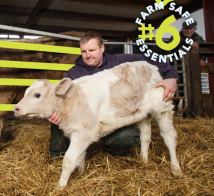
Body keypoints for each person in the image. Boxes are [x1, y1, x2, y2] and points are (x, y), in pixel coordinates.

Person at [48, 31, 179, 158]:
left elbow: (149, 59)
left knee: (127, 137)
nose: (87, 55)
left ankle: (109, 150)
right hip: (87, 122)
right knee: (58, 117)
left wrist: (171, 76)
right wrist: (54, 112)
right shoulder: (74, 74)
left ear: (102, 48)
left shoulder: (118, 62)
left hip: (112, 120)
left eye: (92, 50)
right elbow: (61, 99)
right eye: (84, 51)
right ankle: (57, 155)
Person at [169, 20, 206, 112]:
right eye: (186, 28)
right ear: (182, 29)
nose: (188, 31)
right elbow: (170, 46)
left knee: (193, 88)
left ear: (194, 29)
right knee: (176, 89)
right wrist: (187, 42)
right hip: (176, 67)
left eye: (190, 28)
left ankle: (192, 111)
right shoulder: (175, 36)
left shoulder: (198, 38)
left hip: (192, 70)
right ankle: (174, 111)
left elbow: (204, 48)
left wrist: (202, 59)